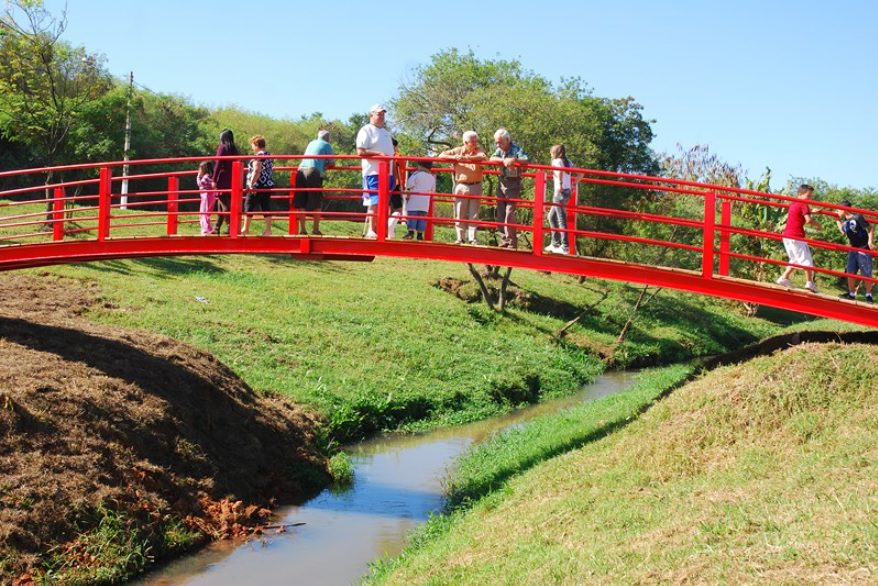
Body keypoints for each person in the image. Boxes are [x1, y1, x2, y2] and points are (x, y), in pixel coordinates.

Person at [439, 131, 487, 245]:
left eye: (476, 141)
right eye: (472, 141)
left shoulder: (479, 150)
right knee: (460, 212)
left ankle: (472, 239)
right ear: (465, 142)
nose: (475, 143)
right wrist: (455, 157)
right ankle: (460, 238)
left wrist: (467, 158)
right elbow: (441, 155)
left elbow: (483, 157)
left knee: (474, 214)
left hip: (476, 184)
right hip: (461, 185)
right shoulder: (457, 150)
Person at [356, 104, 395, 238]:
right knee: (374, 201)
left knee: (384, 203)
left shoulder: (385, 133)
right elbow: (360, 151)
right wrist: (378, 154)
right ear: (371, 115)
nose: (381, 117)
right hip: (373, 172)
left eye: (383, 114)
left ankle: (381, 230)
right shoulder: (366, 130)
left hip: (387, 173)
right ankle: (371, 230)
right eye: (379, 114)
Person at [776, 184, 822, 292]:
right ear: (801, 194)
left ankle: (784, 278)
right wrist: (818, 225)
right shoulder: (803, 204)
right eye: (808, 196)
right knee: (807, 261)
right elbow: (808, 220)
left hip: (787, 236)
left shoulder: (794, 204)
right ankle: (810, 283)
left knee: (795, 259)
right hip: (797, 236)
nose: (809, 199)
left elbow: (800, 213)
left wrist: (811, 211)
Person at [489, 128, 528, 249]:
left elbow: (525, 159)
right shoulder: (499, 150)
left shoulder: (516, 149)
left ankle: (512, 242)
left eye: (500, 142)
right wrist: (504, 161)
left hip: (513, 183)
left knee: (509, 213)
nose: (498, 145)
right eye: (496, 142)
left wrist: (514, 160)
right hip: (502, 182)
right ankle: (504, 239)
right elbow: (491, 158)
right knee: (500, 211)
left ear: (507, 140)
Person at [295, 129, 335, 235]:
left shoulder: (311, 143)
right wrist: (325, 166)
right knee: (316, 201)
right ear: (328, 138)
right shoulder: (327, 145)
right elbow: (332, 163)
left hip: (300, 171)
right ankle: (315, 229)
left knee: (301, 202)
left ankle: (302, 230)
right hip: (313, 171)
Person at [836, 199, 874, 302]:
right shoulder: (845, 223)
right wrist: (837, 221)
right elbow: (842, 232)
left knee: (865, 272)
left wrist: (870, 242)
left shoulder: (857, 217)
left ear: (844, 209)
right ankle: (851, 294)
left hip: (863, 247)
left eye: (838, 210)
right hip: (853, 248)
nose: (837, 212)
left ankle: (869, 296)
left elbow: (870, 228)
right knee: (850, 271)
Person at [242, 134, 274, 236]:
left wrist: (251, 184)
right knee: (266, 206)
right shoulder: (268, 155)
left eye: (252, 144)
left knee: (249, 205)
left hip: (257, 185)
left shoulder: (259, 156)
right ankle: (268, 230)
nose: (252, 147)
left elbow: (257, 169)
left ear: (256, 144)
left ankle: (245, 229)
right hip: (267, 185)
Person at [545, 144, 573, 255]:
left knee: (561, 219)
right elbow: (581, 172)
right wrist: (574, 183)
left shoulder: (556, 161)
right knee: (551, 216)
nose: (550, 154)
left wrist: (560, 184)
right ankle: (555, 243)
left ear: (555, 153)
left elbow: (560, 171)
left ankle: (565, 246)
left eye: (551, 152)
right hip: (567, 191)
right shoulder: (568, 162)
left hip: (560, 192)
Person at [211, 129, 239, 235]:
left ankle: (230, 226)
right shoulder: (234, 149)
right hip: (233, 178)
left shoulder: (222, 147)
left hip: (223, 178)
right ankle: (217, 227)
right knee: (221, 204)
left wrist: (214, 179)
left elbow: (218, 164)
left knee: (224, 204)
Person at [402, 160, 434, 241]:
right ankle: (420, 235)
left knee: (412, 216)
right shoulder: (431, 177)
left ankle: (411, 233)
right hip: (425, 202)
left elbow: (409, 184)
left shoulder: (416, 174)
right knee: (422, 218)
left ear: (420, 166)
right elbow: (432, 189)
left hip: (414, 200)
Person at [196, 161, 217, 235]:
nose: (199, 170)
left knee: (204, 213)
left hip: (206, 196)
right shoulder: (211, 176)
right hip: (210, 196)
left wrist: (198, 176)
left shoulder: (206, 177)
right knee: (206, 213)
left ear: (204, 169)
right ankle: (208, 228)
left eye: (200, 169)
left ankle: (206, 230)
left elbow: (200, 184)